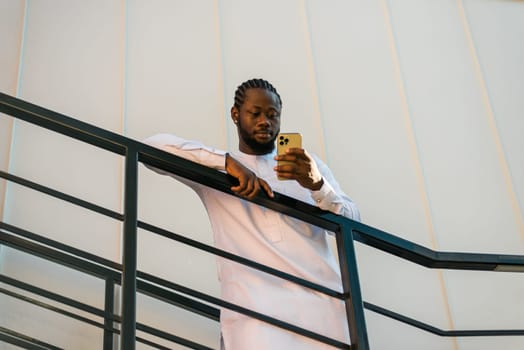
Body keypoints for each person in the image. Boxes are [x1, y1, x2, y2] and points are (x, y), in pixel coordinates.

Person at [144, 78, 360, 350]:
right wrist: (224, 161)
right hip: (255, 312)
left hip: (322, 307)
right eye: (255, 113)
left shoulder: (308, 166)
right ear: (236, 115)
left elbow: (353, 223)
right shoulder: (217, 170)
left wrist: (318, 185)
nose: (264, 121)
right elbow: (150, 147)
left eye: (272, 115)